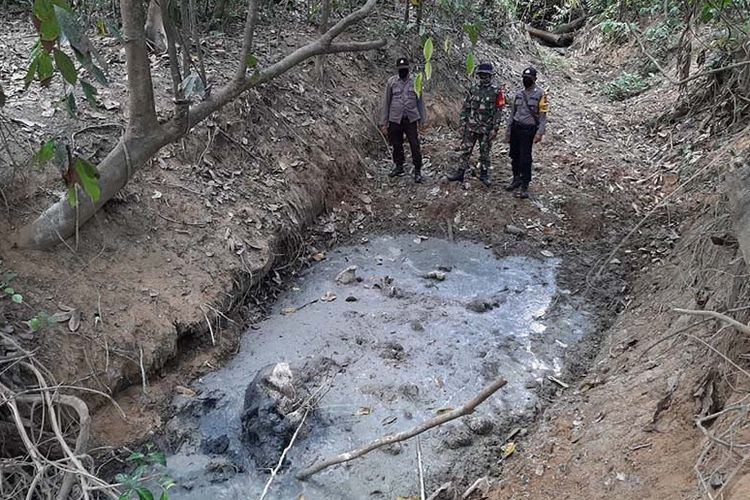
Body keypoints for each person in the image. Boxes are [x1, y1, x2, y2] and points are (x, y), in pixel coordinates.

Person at [447, 62, 506, 187]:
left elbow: (498, 111)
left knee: (485, 152)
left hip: (486, 128)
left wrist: (495, 128)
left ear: (491, 76)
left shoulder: (497, 91)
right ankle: (460, 173)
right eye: (482, 75)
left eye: (486, 75)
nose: (484, 78)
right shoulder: (473, 89)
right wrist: (463, 123)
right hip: (471, 126)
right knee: (465, 150)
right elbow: (466, 107)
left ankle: (484, 174)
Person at [380, 57, 426, 183]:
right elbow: (386, 102)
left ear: (408, 69)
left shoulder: (416, 81)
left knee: (414, 145)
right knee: (396, 144)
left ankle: (417, 170)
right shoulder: (391, 82)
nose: (403, 71)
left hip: (410, 119)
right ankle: (399, 166)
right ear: (397, 69)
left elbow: (420, 101)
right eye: (400, 69)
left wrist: (422, 119)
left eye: (405, 69)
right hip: (395, 118)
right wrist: (384, 122)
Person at [505, 67, 548, 199]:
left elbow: (543, 116)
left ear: (535, 79)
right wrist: (508, 129)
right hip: (516, 128)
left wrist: (540, 133)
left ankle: (525, 184)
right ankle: (516, 178)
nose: (526, 80)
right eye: (524, 78)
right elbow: (513, 113)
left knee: (525, 158)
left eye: (528, 78)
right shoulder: (518, 94)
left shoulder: (541, 95)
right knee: (514, 155)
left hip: (528, 130)